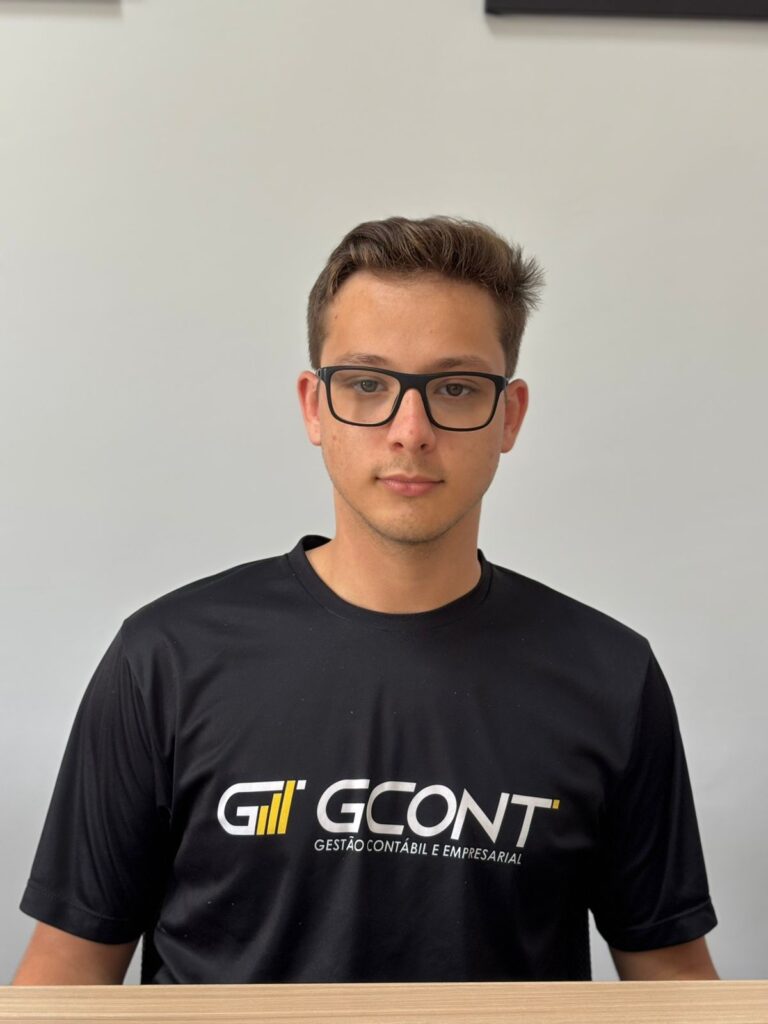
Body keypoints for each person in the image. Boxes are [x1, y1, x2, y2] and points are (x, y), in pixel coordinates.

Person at [13, 215, 718, 986]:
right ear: (315, 406)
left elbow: (673, 985)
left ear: (509, 416)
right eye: (368, 384)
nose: (410, 431)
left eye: (455, 388)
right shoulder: (166, 660)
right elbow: (65, 977)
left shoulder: (609, 676)